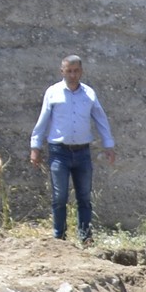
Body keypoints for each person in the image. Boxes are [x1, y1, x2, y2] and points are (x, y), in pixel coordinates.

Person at [27, 54, 114, 243]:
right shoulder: (53, 92)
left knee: (84, 196)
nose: (73, 75)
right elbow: (43, 120)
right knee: (60, 196)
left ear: (81, 71)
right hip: (59, 152)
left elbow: (101, 119)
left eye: (76, 71)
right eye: (69, 71)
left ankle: (85, 236)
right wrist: (36, 146)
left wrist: (108, 144)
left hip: (82, 152)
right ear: (62, 71)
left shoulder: (89, 94)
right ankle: (59, 237)